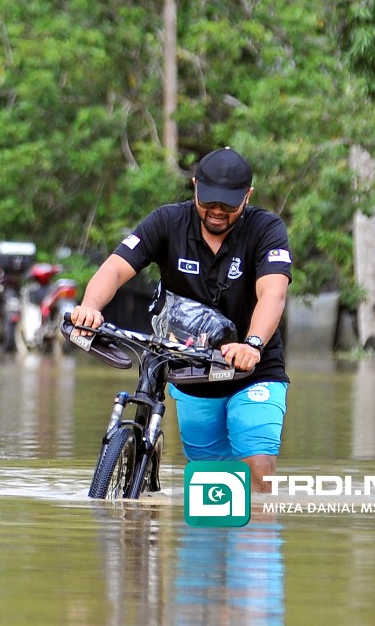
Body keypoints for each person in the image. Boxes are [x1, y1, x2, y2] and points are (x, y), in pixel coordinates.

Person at [71, 148, 291, 491]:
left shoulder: (266, 229)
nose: (218, 211)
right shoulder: (167, 222)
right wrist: (89, 307)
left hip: (253, 371)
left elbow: (273, 293)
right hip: (191, 371)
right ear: (194, 187)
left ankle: (257, 539)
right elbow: (115, 268)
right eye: (209, 201)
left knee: (257, 467)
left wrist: (253, 344)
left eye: (229, 205)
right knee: (211, 487)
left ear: (247, 197)